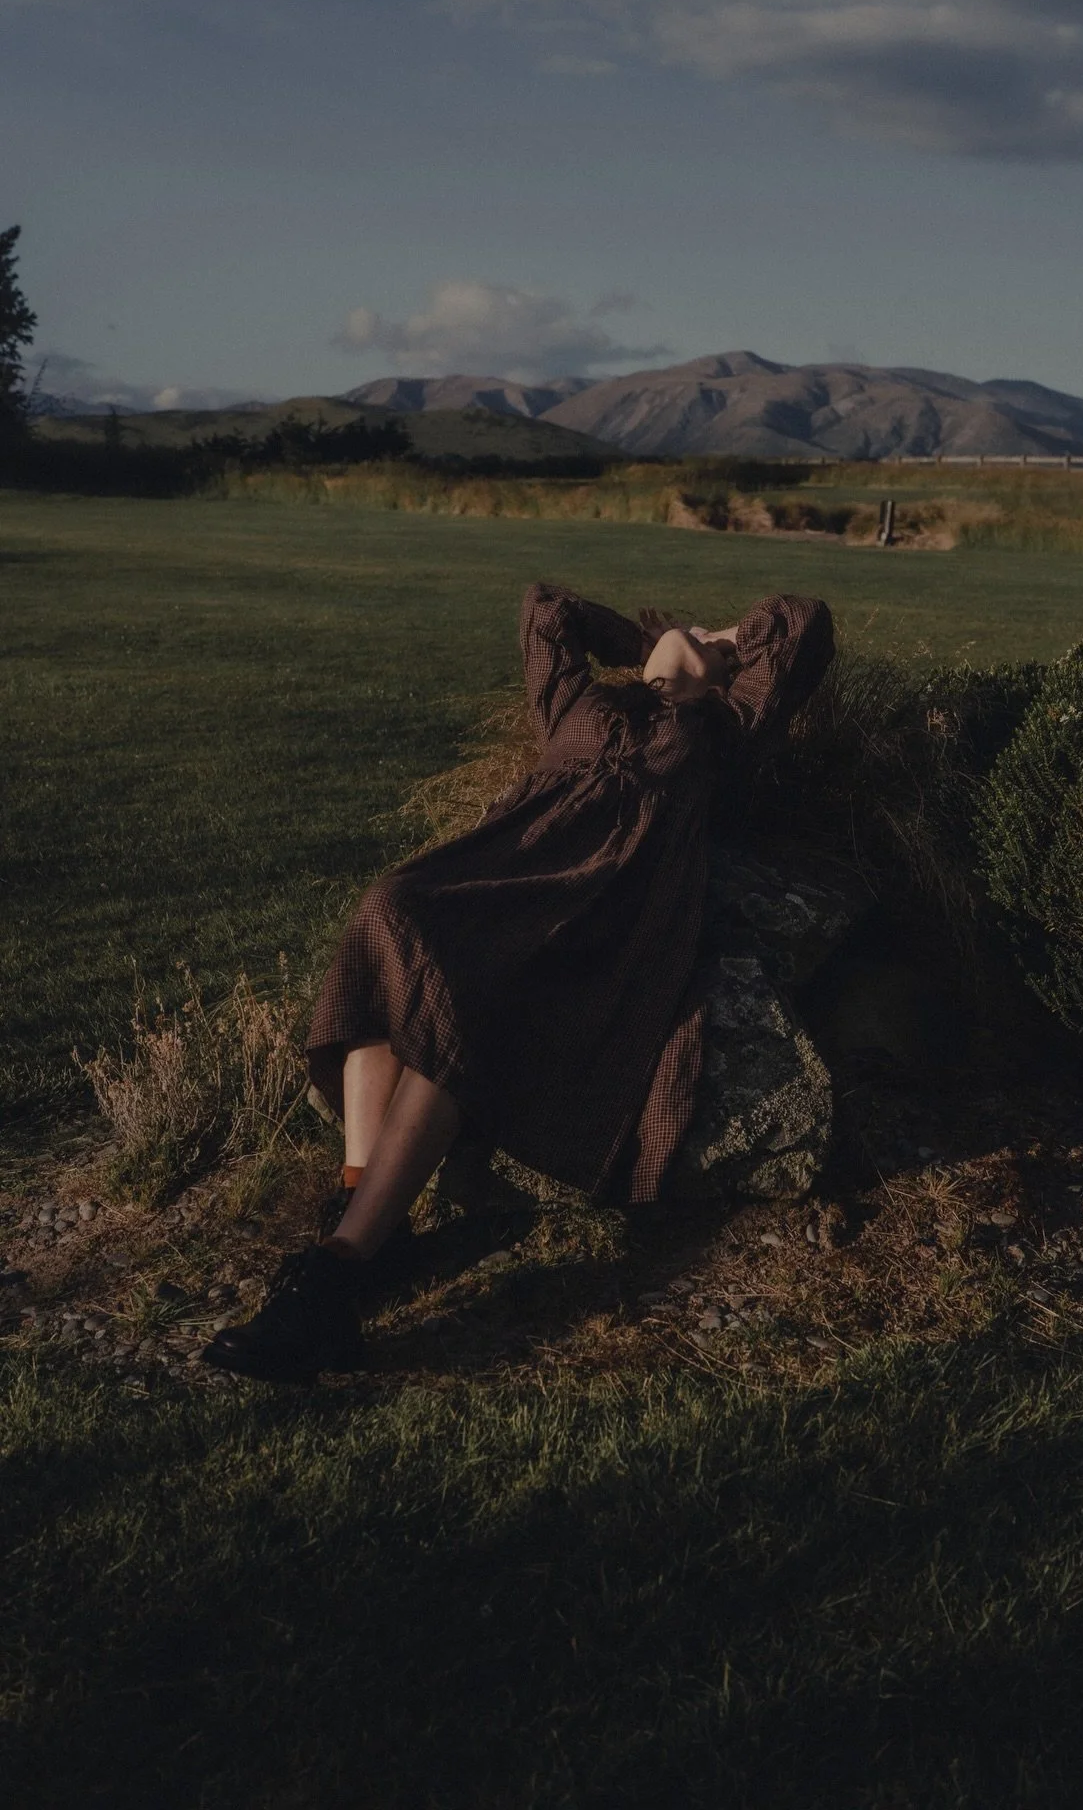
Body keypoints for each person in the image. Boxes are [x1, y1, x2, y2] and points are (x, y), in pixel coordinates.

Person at [203, 581, 835, 1383]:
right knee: (389, 909)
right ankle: (363, 1202)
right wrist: (651, 650)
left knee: (467, 998)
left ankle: (337, 1273)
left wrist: (716, 645)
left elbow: (800, 621)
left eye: (718, 649)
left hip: (599, 909)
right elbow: (546, 607)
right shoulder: (578, 698)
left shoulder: (725, 728)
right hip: (503, 868)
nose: (699, 640)